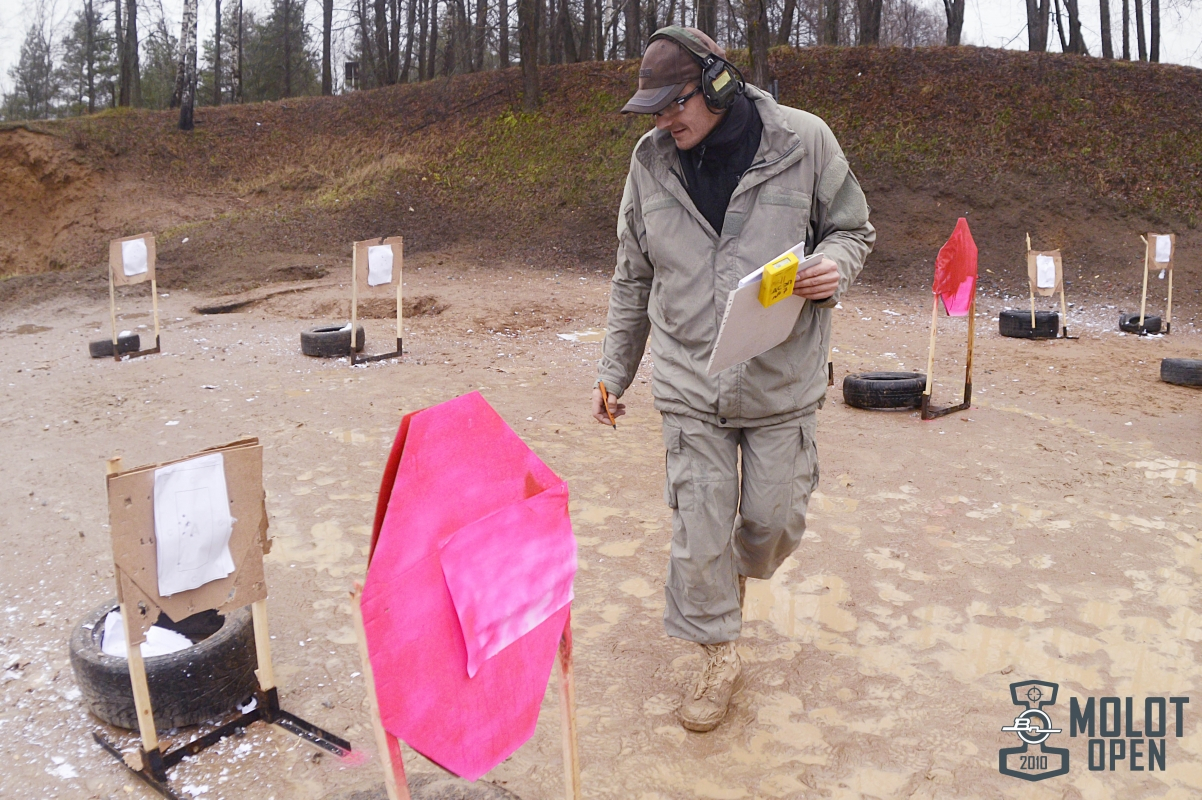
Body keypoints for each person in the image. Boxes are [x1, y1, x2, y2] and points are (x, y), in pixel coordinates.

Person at [591, 26, 874, 733]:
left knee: (772, 522)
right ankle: (716, 654)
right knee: (700, 530)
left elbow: (853, 229)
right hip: (689, 381)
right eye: (654, 109)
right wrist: (614, 372)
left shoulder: (805, 141)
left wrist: (834, 266)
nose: (664, 120)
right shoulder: (649, 162)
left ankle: (733, 578)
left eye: (675, 103)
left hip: (781, 378)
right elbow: (633, 276)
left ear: (719, 84)